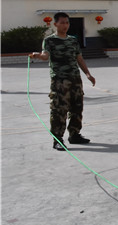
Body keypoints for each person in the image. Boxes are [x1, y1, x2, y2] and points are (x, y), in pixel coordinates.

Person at [30, 12, 95, 150]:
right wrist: (38, 56)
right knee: (59, 109)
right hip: (60, 80)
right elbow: (45, 55)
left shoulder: (73, 40)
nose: (65, 25)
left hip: (75, 78)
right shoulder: (49, 40)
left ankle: (74, 135)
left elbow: (79, 58)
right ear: (55, 24)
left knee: (77, 108)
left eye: (67, 22)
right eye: (62, 22)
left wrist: (88, 74)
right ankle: (57, 139)